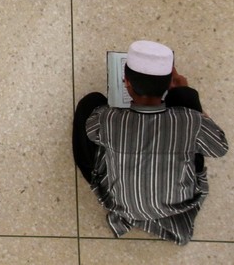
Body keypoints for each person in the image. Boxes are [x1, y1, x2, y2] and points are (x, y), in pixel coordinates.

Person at [72, 40, 228, 245]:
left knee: (90, 102)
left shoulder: (107, 119)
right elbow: (219, 148)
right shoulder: (191, 120)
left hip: (121, 204)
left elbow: (91, 133)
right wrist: (187, 97)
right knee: (193, 141)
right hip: (178, 204)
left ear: (126, 82)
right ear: (168, 86)